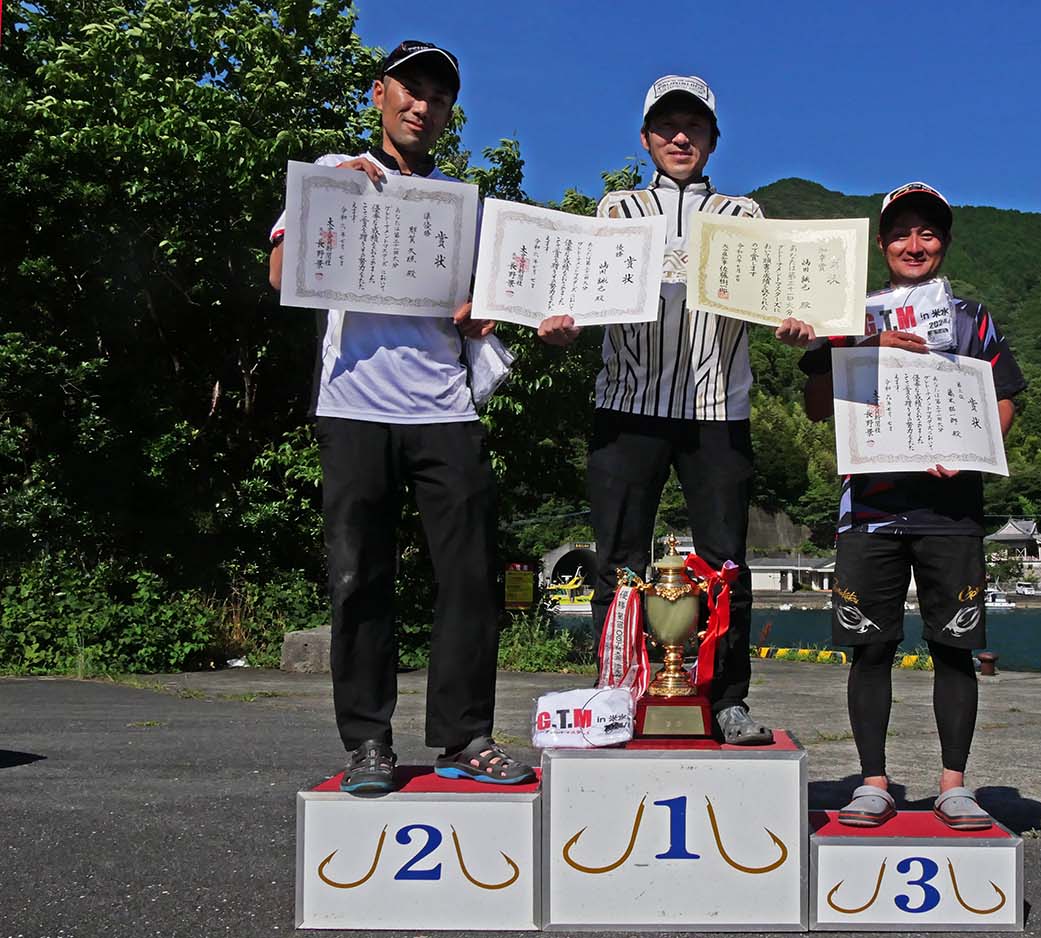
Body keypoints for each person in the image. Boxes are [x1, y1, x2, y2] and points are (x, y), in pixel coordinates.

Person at [268, 40, 533, 793]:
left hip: (445, 407)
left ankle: (464, 736)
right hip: (353, 404)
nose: (423, 106)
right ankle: (367, 743)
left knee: (470, 576)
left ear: (450, 115)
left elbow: (481, 308)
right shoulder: (333, 172)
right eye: (411, 90)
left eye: (439, 98)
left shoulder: (460, 205)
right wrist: (334, 201)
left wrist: (482, 313)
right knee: (360, 576)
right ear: (379, 94)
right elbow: (281, 275)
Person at [535, 75, 814, 745]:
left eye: (694, 126)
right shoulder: (617, 210)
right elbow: (586, 290)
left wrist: (797, 321)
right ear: (645, 139)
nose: (680, 137)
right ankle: (616, 691)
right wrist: (562, 321)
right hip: (626, 403)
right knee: (619, 563)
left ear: (714, 139)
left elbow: (775, 296)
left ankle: (727, 700)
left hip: (717, 407)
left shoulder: (744, 215)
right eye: (666, 126)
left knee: (726, 565)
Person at [799, 182, 1026, 829]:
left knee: (954, 648)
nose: (915, 244)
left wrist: (977, 448)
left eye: (928, 232)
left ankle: (954, 785)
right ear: (881, 244)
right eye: (901, 233)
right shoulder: (850, 317)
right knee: (870, 650)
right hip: (868, 509)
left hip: (950, 510)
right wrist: (860, 347)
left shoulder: (972, 318)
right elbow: (815, 407)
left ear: (944, 243)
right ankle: (873, 782)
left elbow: (1004, 396)